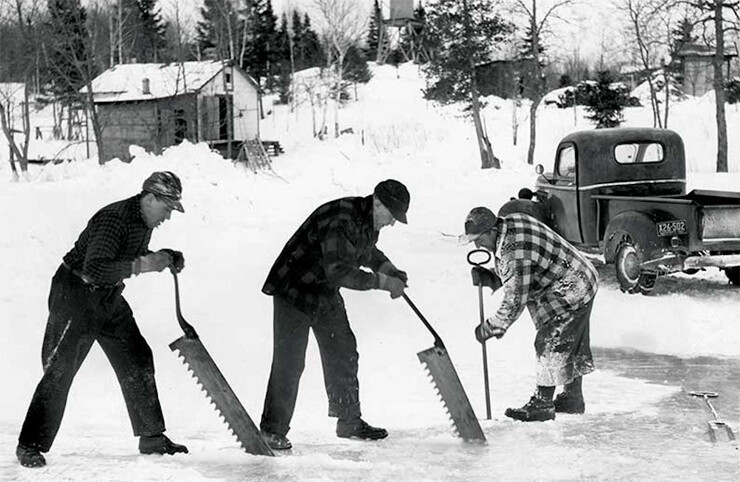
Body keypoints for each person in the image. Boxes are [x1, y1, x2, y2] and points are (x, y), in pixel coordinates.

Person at [16, 171, 189, 468]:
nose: (168, 217)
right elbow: (95, 267)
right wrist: (144, 265)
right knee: (60, 369)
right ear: (150, 198)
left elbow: (125, 258)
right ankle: (29, 445)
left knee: (136, 355)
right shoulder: (115, 219)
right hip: (75, 293)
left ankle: (151, 436)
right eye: (167, 209)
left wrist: (164, 255)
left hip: (106, 296)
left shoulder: (142, 220)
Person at [259, 179, 410, 450]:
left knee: (343, 350)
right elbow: (340, 271)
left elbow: (367, 251)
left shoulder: (366, 220)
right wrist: (383, 283)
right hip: (295, 288)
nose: (392, 223)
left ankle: (349, 421)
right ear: (377, 203)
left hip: (323, 291)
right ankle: (271, 431)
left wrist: (389, 269)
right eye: (391, 216)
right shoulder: (341, 218)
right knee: (290, 362)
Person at [460, 207, 598, 422]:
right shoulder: (511, 222)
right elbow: (527, 265)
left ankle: (542, 404)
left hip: (570, 288)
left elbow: (515, 299)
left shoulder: (513, 250)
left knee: (550, 341)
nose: (478, 245)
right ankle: (572, 398)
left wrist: (493, 326)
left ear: (492, 231)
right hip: (580, 277)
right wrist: (494, 276)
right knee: (571, 342)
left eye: (479, 239)